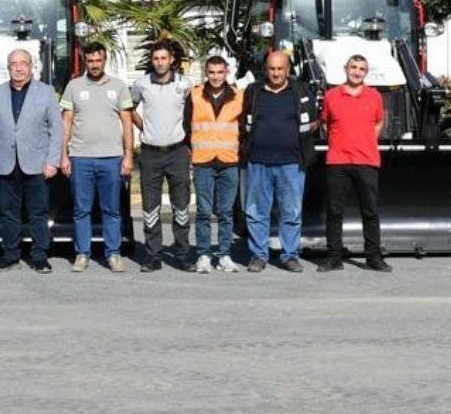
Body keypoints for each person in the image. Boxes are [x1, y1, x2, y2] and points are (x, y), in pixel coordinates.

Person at [0, 48, 62, 272]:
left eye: (23, 63)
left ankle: (39, 256)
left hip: (36, 163)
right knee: (8, 213)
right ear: (8, 68)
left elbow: (57, 129)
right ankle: (10, 255)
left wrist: (53, 161)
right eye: (13, 63)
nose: (18, 67)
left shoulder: (45, 92)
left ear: (31, 66)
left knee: (38, 213)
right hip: (5, 163)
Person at [240, 50, 316, 272]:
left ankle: (290, 255)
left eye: (279, 69)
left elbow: (313, 122)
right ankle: (258, 255)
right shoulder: (253, 92)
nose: (275, 73)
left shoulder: (301, 92)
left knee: (291, 212)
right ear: (266, 69)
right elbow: (243, 121)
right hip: (258, 162)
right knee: (256, 212)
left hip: (291, 163)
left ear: (288, 70)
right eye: (271, 69)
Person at [60, 44, 134, 273]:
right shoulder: (74, 86)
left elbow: (127, 122)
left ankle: (113, 253)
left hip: (112, 159)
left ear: (105, 60)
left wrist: (128, 155)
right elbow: (66, 123)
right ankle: (82, 253)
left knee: (111, 209)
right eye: (90, 61)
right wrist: (63, 155)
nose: (94, 65)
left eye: (98, 60)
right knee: (81, 210)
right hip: (81, 158)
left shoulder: (119, 87)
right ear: (85, 61)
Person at [318, 54, 391, 272]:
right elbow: (326, 125)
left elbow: (379, 123)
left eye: (361, 69)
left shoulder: (374, 96)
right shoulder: (331, 96)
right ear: (345, 69)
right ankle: (334, 258)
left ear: (365, 73)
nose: (357, 72)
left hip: (366, 161)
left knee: (370, 211)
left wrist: (365, 141)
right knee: (334, 211)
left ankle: (374, 257)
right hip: (337, 161)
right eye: (353, 67)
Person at [131, 39, 194, 272]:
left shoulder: (185, 84)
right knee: (150, 207)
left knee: (181, 205)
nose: (159, 62)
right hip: (150, 153)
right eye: (156, 59)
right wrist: (144, 127)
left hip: (177, 152)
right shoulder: (141, 84)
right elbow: (128, 109)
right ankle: (153, 255)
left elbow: (191, 114)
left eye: (163, 58)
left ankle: (183, 254)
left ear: (172, 60)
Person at [187, 54, 244, 273]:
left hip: (229, 161)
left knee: (226, 212)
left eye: (220, 72)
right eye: (211, 72)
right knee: (203, 212)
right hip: (203, 161)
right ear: (205, 73)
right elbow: (186, 126)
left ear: (226, 73)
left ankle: (225, 255)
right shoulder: (194, 95)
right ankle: (203, 255)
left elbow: (243, 128)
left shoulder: (238, 96)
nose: (216, 77)